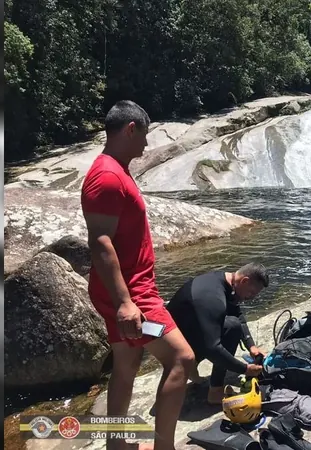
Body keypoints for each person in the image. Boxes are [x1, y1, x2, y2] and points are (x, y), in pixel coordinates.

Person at [81, 100, 196, 450]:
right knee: (182, 358)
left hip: (130, 291)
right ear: (131, 129)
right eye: (145, 136)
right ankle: (164, 447)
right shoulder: (107, 176)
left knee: (127, 363)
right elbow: (99, 241)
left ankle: (116, 444)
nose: (147, 146)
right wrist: (126, 303)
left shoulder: (114, 168)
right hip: (134, 296)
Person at [166, 263, 268, 405]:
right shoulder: (213, 298)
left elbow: (237, 313)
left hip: (187, 332)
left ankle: (192, 366)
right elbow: (213, 347)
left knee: (233, 323)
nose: (251, 298)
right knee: (232, 328)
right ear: (244, 281)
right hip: (173, 346)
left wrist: (251, 346)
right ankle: (215, 391)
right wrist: (245, 369)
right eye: (251, 293)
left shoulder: (226, 282)